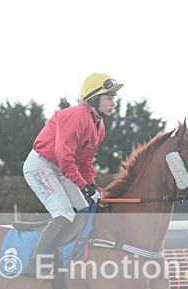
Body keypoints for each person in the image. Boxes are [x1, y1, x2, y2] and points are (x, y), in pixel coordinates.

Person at [22, 73, 123, 274]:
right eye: (109, 98)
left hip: (60, 169)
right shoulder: (76, 116)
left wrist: (92, 187)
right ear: (94, 99)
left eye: (114, 98)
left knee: (84, 212)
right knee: (65, 214)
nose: (113, 103)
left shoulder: (99, 127)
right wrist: (85, 187)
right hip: (40, 166)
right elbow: (65, 158)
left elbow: (85, 162)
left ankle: (69, 260)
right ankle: (35, 265)